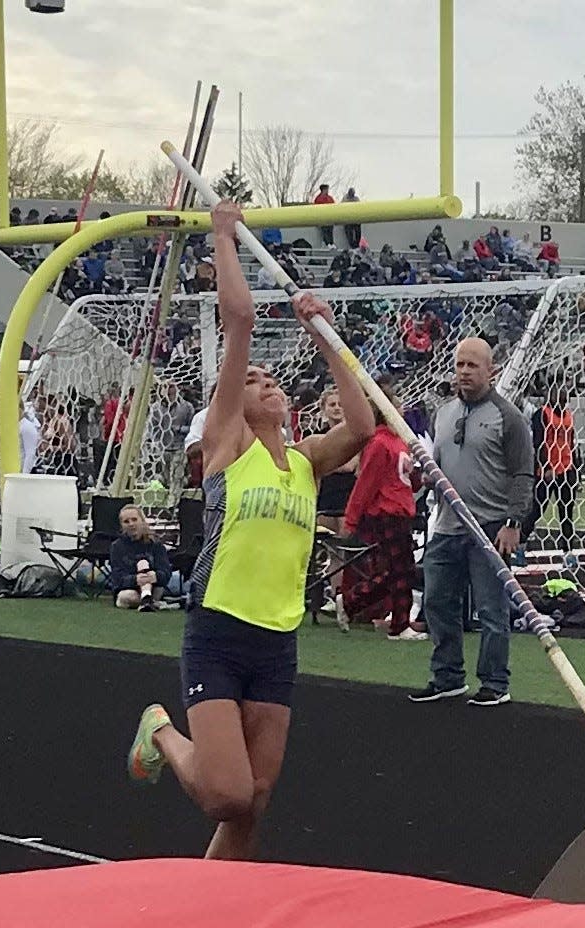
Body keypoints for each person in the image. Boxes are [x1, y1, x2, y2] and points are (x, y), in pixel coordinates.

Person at [127, 198, 374, 861]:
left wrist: (324, 336)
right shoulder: (225, 447)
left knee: (255, 798)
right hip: (218, 629)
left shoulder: (304, 462)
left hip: (277, 638)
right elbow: (237, 318)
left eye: (270, 379)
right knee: (226, 795)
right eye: (251, 379)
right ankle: (162, 735)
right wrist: (223, 237)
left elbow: (362, 425)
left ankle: (214, 905)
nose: (262, 383)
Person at [409, 337, 533, 706]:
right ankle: (447, 676)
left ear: (490, 371)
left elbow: (523, 474)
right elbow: (439, 464)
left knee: (492, 610)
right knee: (437, 601)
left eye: (472, 366)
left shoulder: (508, 418)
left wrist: (514, 522)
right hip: (447, 526)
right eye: (460, 364)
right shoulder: (443, 414)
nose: (464, 372)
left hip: (490, 527)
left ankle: (495, 681)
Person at [337, 392, 424, 640]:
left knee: (399, 571)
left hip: (401, 511)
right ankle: (398, 624)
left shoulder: (400, 442)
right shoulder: (379, 443)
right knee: (400, 570)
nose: (403, 409)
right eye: (397, 404)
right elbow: (366, 483)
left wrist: (420, 478)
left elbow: (403, 481)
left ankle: (352, 601)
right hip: (386, 513)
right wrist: (351, 518)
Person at [521, 394, 581, 555]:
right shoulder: (542, 414)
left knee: (566, 512)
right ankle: (520, 544)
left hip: (566, 470)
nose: (562, 403)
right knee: (537, 509)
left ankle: (568, 552)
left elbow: (571, 442)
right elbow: (539, 442)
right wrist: (546, 466)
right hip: (547, 472)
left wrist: (575, 468)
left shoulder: (568, 416)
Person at [109, 505, 172, 610]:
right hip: (129, 590)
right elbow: (117, 578)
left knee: (147, 571)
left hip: (154, 587)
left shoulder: (156, 544)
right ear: (121, 525)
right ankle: (148, 601)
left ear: (142, 521)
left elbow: (166, 572)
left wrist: (155, 576)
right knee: (126, 596)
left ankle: (147, 599)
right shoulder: (117, 547)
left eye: (134, 520)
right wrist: (136, 579)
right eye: (126, 522)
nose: (131, 524)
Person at [315, 387, 356, 534]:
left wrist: (324, 464)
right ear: (324, 409)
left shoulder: (354, 435)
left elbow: (350, 466)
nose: (337, 408)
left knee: (347, 544)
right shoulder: (317, 436)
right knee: (327, 546)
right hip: (325, 496)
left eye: (340, 404)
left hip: (348, 496)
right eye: (332, 405)